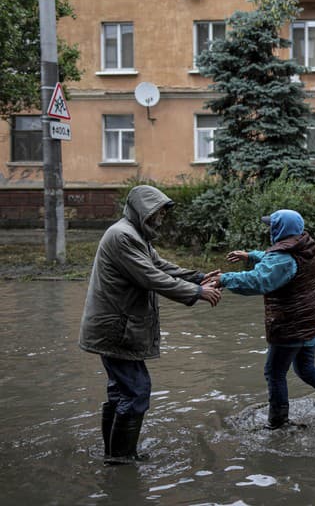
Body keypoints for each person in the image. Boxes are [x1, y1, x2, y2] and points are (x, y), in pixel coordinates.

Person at [79, 185, 222, 465]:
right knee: (136, 391)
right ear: (143, 210)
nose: (162, 218)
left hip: (116, 327)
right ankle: (121, 460)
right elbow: (150, 277)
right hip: (116, 330)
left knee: (121, 392)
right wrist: (196, 292)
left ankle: (113, 455)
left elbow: (162, 267)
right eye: (158, 212)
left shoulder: (135, 235)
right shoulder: (122, 236)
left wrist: (198, 277)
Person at [211, 209, 315, 429]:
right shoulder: (303, 246)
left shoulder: (283, 258)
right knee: (306, 369)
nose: (269, 229)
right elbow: (275, 261)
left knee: (274, 372)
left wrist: (224, 279)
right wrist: (251, 256)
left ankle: (278, 422)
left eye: (272, 226)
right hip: (310, 322)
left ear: (280, 230)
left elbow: (258, 280)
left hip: (291, 326)